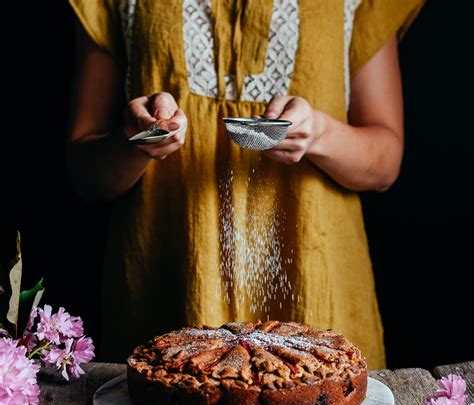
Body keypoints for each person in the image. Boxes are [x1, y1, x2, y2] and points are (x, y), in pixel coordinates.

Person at [67, 0, 424, 367]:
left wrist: (317, 134)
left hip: (319, 296)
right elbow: (85, 175)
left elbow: (385, 164)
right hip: (165, 295)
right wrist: (138, 140)